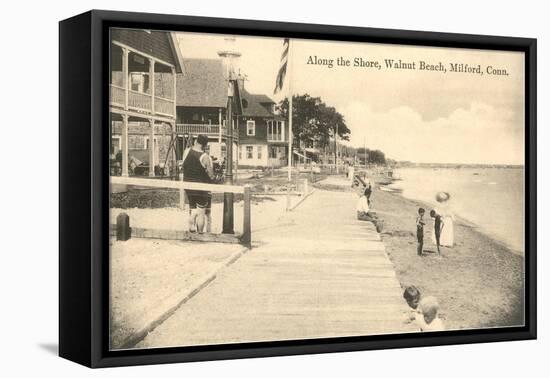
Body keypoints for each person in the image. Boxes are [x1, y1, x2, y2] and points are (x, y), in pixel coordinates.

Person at [182, 134, 214, 234]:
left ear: (196, 141)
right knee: (201, 212)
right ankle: (200, 233)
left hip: (187, 185)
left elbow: (185, 166)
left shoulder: (186, 151)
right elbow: (211, 175)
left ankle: (191, 228)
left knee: (193, 208)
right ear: (205, 145)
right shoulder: (205, 157)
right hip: (200, 187)